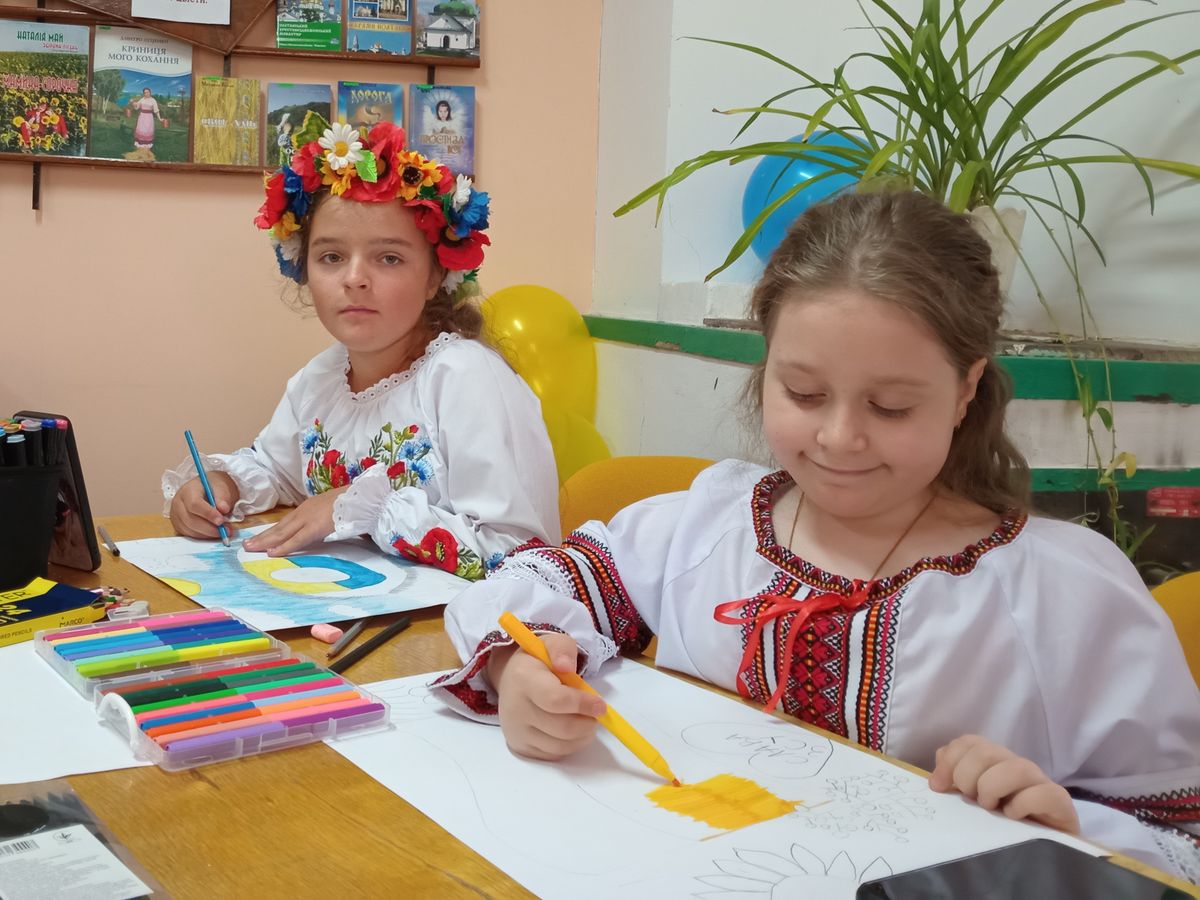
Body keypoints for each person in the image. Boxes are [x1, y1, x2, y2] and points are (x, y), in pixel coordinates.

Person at [437, 191, 1200, 882]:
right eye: (803, 393)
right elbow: (539, 580)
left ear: (967, 389)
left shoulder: (1063, 597)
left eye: (891, 406)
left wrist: (1073, 830)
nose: (839, 437)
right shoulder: (710, 526)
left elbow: (1181, 842)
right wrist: (519, 664)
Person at [164, 118, 559, 580]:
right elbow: (275, 468)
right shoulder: (321, 379)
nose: (354, 279)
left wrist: (367, 509)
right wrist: (222, 484)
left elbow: (520, 555)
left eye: (389, 258)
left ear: (435, 276)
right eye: (331, 257)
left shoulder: (465, 379)